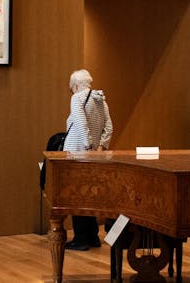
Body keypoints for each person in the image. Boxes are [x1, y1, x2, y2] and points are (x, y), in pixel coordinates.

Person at [63, 69, 113, 251]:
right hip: (95, 155)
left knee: (77, 195)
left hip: (77, 153)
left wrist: (87, 147)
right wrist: (100, 148)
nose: (71, 91)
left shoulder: (77, 98)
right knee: (90, 195)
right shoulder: (100, 98)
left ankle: (81, 238)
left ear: (76, 85)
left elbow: (81, 122)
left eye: (71, 88)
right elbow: (109, 126)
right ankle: (92, 236)